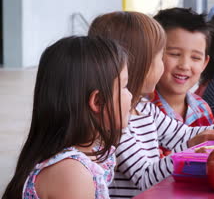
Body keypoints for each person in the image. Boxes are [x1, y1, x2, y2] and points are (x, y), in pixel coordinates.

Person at [88, 11, 214, 198]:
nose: (162, 65)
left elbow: (184, 135)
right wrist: (194, 148)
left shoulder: (145, 109)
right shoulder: (115, 121)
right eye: (160, 57)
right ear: (137, 64)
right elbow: (145, 178)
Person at [2, 36, 130, 199]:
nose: (130, 95)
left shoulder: (89, 151)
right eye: (125, 86)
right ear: (97, 101)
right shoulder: (71, 173)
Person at [153, 8, 214, 126]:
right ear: (153, 55)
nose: (185, 66)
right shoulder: (141, 112)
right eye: (174, 54)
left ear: (204, 64)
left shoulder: (203, 109)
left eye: (195, 58)